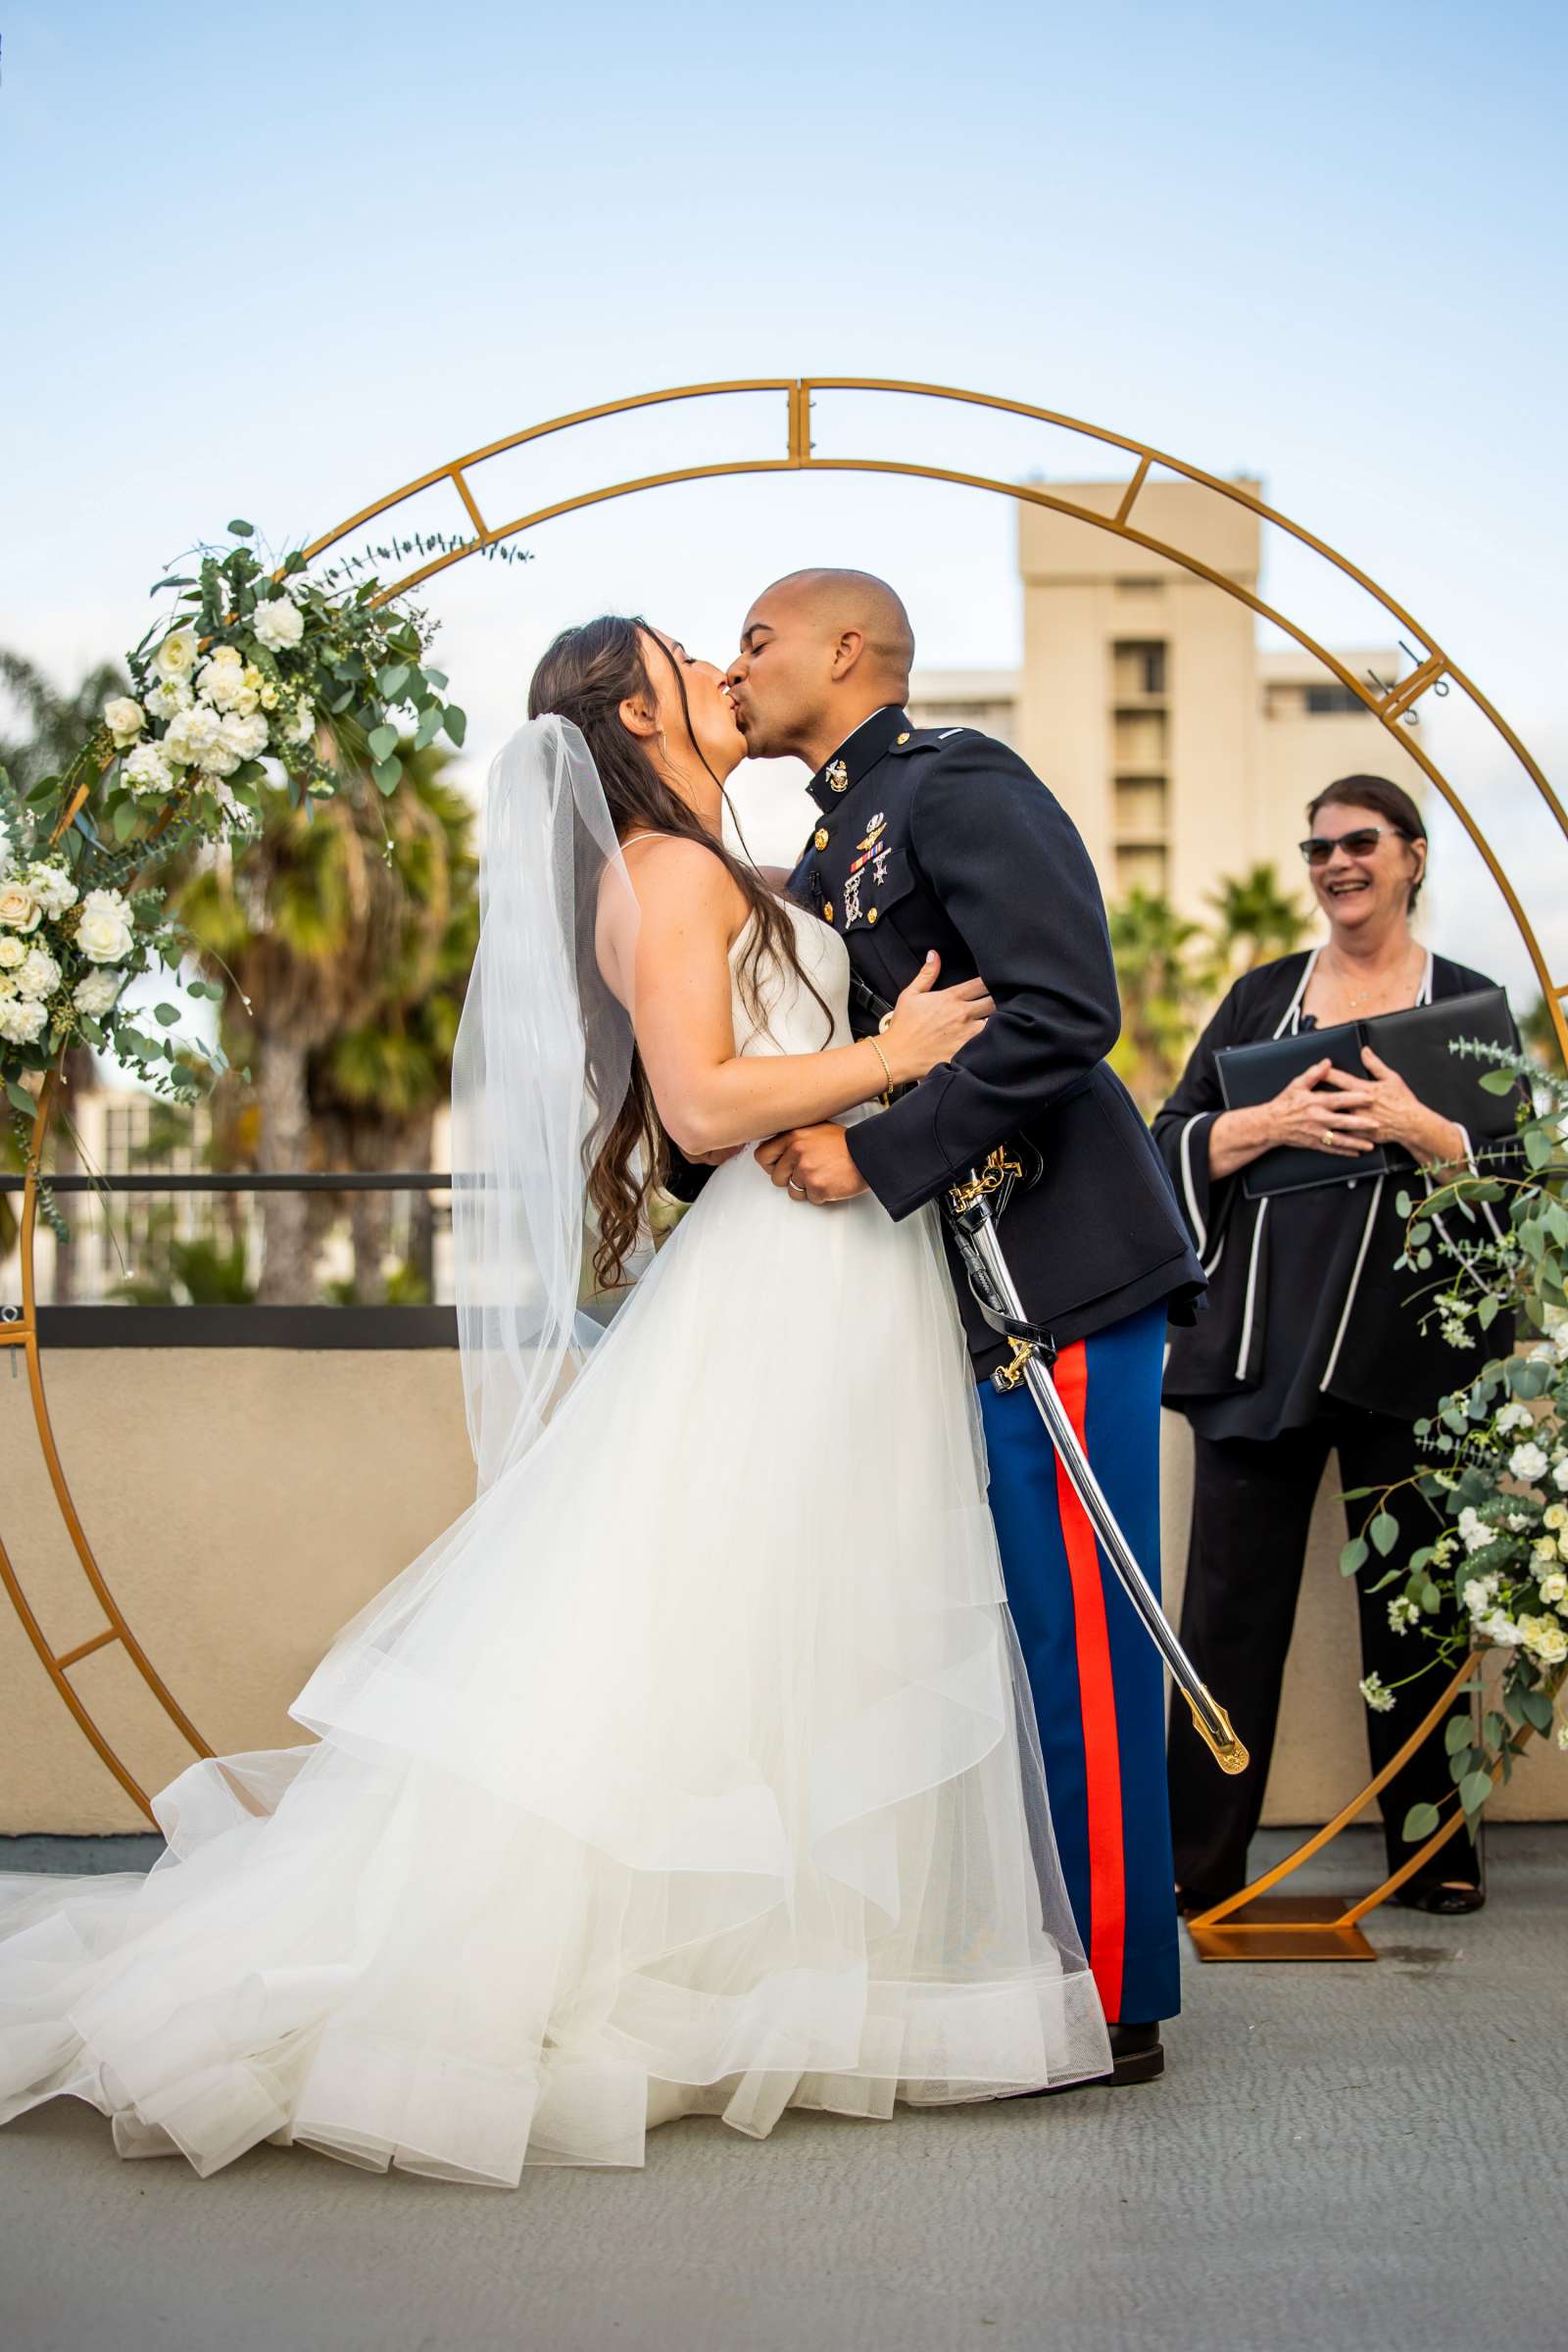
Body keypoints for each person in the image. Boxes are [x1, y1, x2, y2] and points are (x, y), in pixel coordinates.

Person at [0, 615, 1113, 2186]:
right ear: (633, 711)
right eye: (691, 657)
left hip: (843, 1277)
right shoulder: (660, 877)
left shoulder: (730, 868)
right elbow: (705, 1104)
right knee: (715, 1617)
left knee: (788, 1615)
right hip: (780, 1279)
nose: (726, 675)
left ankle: (789, 1973)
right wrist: (897, 1052)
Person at [725, 570, 1206, 2082]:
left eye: (758, 639)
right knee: (1003, 1645)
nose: (737, 667)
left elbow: (1066, 1009)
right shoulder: (821, 845)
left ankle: (1121, 1992)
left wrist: (875, 1152)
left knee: (1081, 1644)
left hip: (1054, 1270)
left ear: (847, 650)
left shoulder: (956, 783)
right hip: (946, 1297)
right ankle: (1040, 1953)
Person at [1155, 773, 1516, 1918]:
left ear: (1411, 857)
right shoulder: (1263, 998)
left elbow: (1517, 1180)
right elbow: (1168, 1138)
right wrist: (1266, 1122)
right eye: (1315, 847)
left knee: (1415, 1617)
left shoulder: (1468, 1006)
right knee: (1224, 1617)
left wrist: (1426, 1130)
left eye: (1358, 842)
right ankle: (1193, 1865)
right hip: (1261, 1347)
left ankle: (1430, 1859)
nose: (1333, 863)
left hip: (1411, 1361)